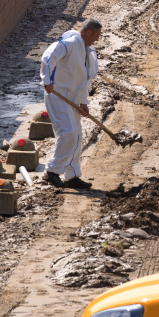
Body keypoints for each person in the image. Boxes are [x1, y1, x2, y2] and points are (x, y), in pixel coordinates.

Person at [40, 19, 104, 190]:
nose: (97, 40)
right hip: (57, 95)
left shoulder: (87, 51)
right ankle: (51, 172)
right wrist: (47, 81)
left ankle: (72, 175)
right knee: (68, 133)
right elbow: (47, 58)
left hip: (74, 99)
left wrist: (84, 101)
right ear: (89, 32)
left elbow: (85, 80)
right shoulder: (70, 43)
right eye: (96, 35)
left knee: (76, 136)